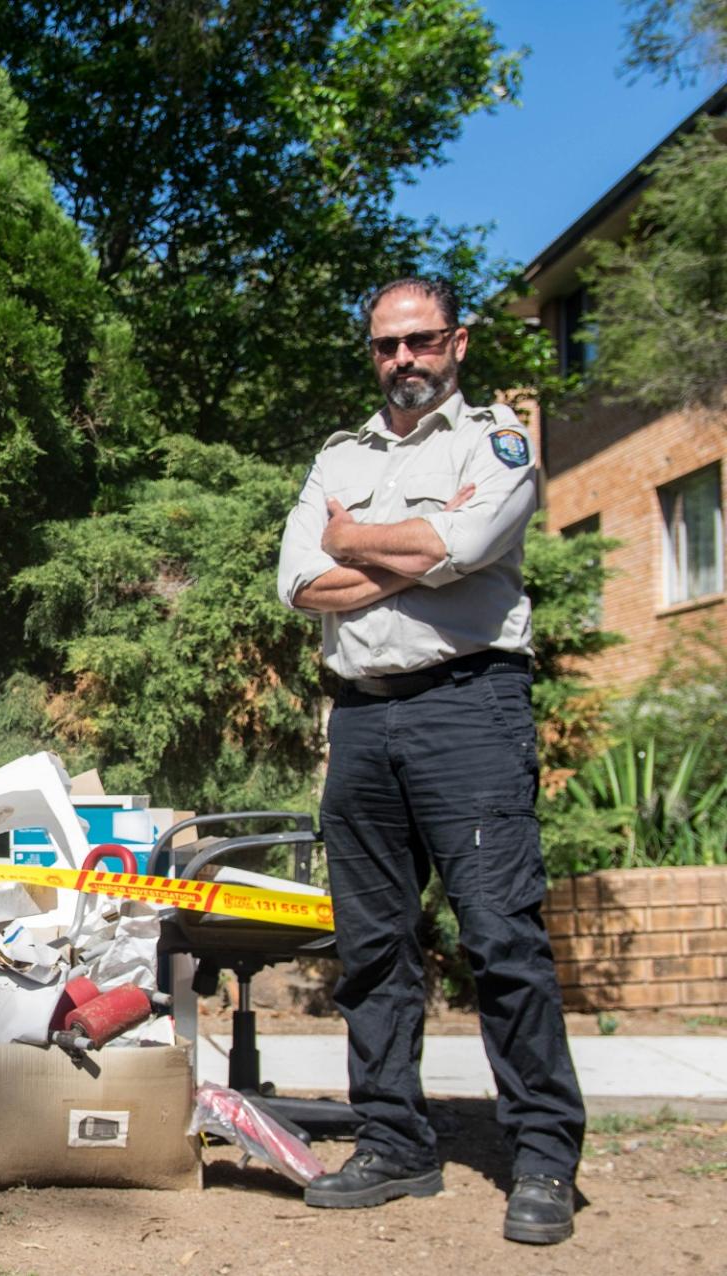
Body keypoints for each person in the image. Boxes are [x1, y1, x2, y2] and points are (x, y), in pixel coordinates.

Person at [276, 276, 584, 1245]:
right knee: (372, 949)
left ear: (458, 342)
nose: (402, 360)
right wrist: (416, 547)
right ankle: (394, 1139)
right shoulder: (339, 454)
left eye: (420, 342)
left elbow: (470, 538)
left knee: (500, 936)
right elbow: (298, 579)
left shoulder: (494, 442)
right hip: (362, 721)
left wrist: (355, 539)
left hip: (469, 708)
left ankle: (541, 1153)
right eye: (385, 346)